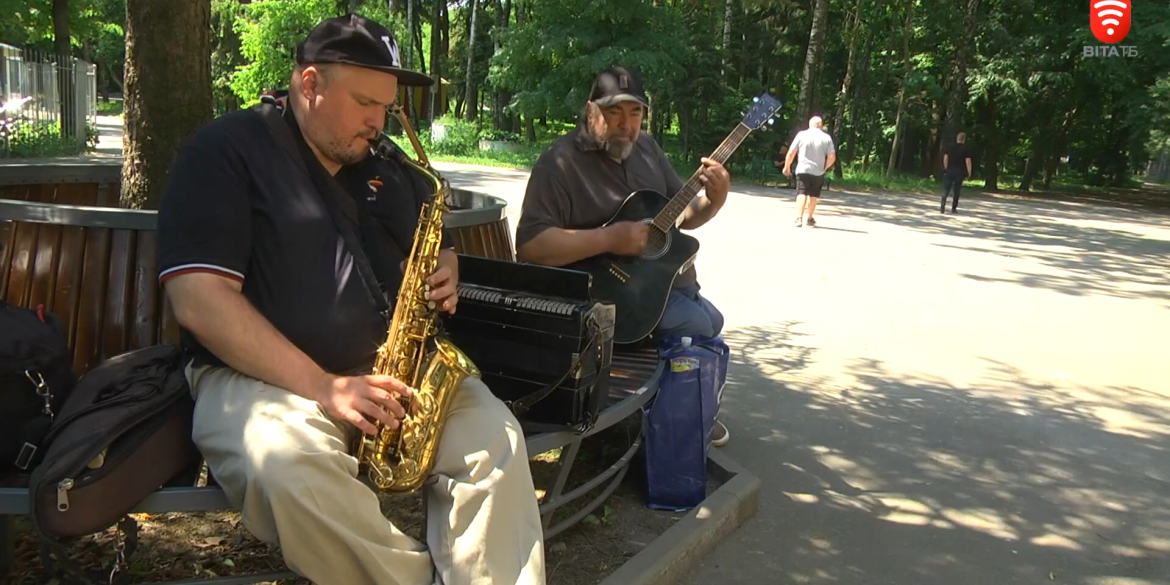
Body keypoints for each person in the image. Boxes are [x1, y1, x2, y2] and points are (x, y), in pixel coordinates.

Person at [156, 14, 545, 585]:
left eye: (386, 107)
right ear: (310, 84)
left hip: (395, 374)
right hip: (262, 383)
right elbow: (199, 300)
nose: (378, 121)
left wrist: (447, 263)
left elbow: (436, 243)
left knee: (497, 442)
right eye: (365, 102)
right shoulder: (224, 153)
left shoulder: (384, 162)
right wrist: (324, 387)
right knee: (289, 474)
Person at [514, 65, 732, 447]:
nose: (626, 125)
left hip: (663, 287)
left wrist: (715, 201)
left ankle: (685, 415)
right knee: (699, 326)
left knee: (711, 319)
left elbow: (681, 214)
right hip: (611, 300)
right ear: (590, 110)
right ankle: (671, 425)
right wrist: (609, 239)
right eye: (614, 112)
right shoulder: (559, 162)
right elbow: (531, 245)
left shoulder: (646, 148)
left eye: (635, 113)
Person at [782, 116, 837, 227]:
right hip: (818, 171)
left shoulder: (801, 135)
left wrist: (786, 166)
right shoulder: (826, 138)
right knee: (813, 195)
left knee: (801, 193)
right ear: (821, 125)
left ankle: (799, 218)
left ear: (810, 124)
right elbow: (832, 156)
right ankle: (810, 218)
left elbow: (791, 152)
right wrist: (825, 168)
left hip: (802, 169)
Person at [941, 132, 973, 213]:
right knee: (957, 190)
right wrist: (969, 172)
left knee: (946, 188)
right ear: (964, 140)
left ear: (957, 138)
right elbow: (968, 161)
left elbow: (945, 158)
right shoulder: (966, 149)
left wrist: (946, 168)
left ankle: (942, 205)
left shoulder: (949, 147)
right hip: (960, 172)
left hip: (950, 171)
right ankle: (953, 208)